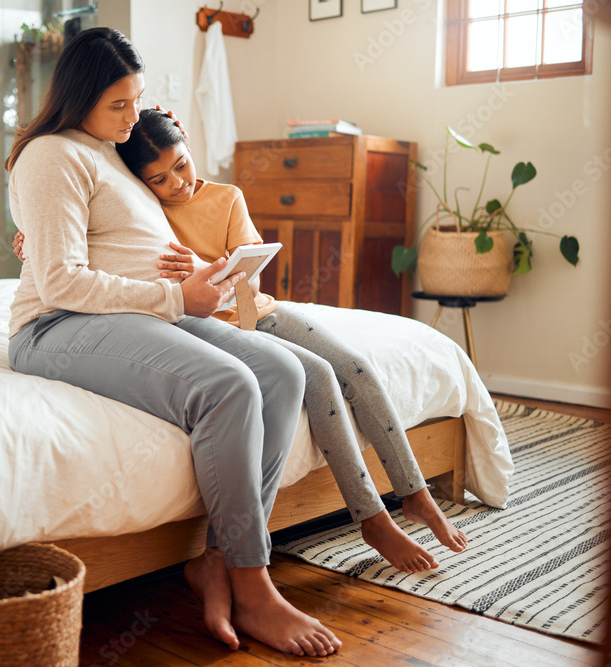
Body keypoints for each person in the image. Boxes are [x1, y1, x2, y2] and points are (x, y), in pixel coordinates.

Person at [4, 28, 341, 657]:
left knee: (282, 373)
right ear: (78, 99)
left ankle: (216, 561)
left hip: (144, 314)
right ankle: (253, 580)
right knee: (229, 384)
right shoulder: (53, 153)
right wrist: (175, 300)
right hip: (54, 326)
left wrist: (194, 278)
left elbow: (114, 231)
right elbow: (57, 279)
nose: (132, 119)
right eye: (118, 106)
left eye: (137, 101)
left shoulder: (111, 148)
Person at [116, 108, 469, 570]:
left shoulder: (227, 198)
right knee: (318, 375)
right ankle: (372, 517)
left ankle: (416, 493)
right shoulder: (143, 208)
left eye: (180, 165)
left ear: (185, 141)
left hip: (257, 310)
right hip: (217, 327)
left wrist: (209, 268)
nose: (176, 183)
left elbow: (254, 285)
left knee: (356, 368)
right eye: (160, 179)